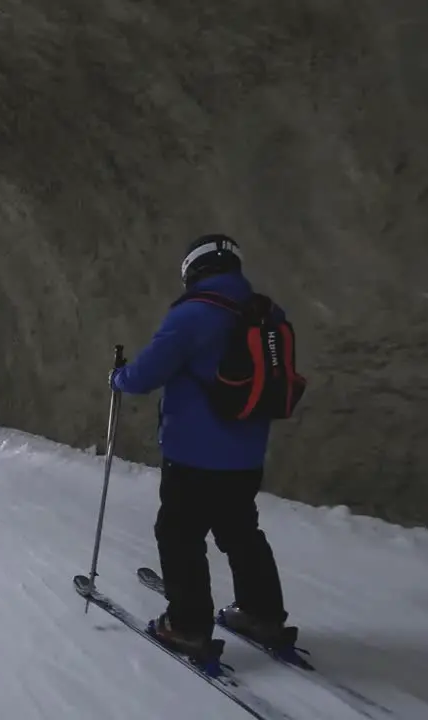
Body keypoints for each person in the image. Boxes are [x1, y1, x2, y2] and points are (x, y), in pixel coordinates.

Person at [109, 234, 293, 655]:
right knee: (241, 532)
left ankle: (188, 625)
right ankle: (262, 614)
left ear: (193, 270)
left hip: (193, 454)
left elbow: (143, 376)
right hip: (246, 455)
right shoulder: (268, 314)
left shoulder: (193, 314)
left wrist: (117, 377)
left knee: (179, 534)